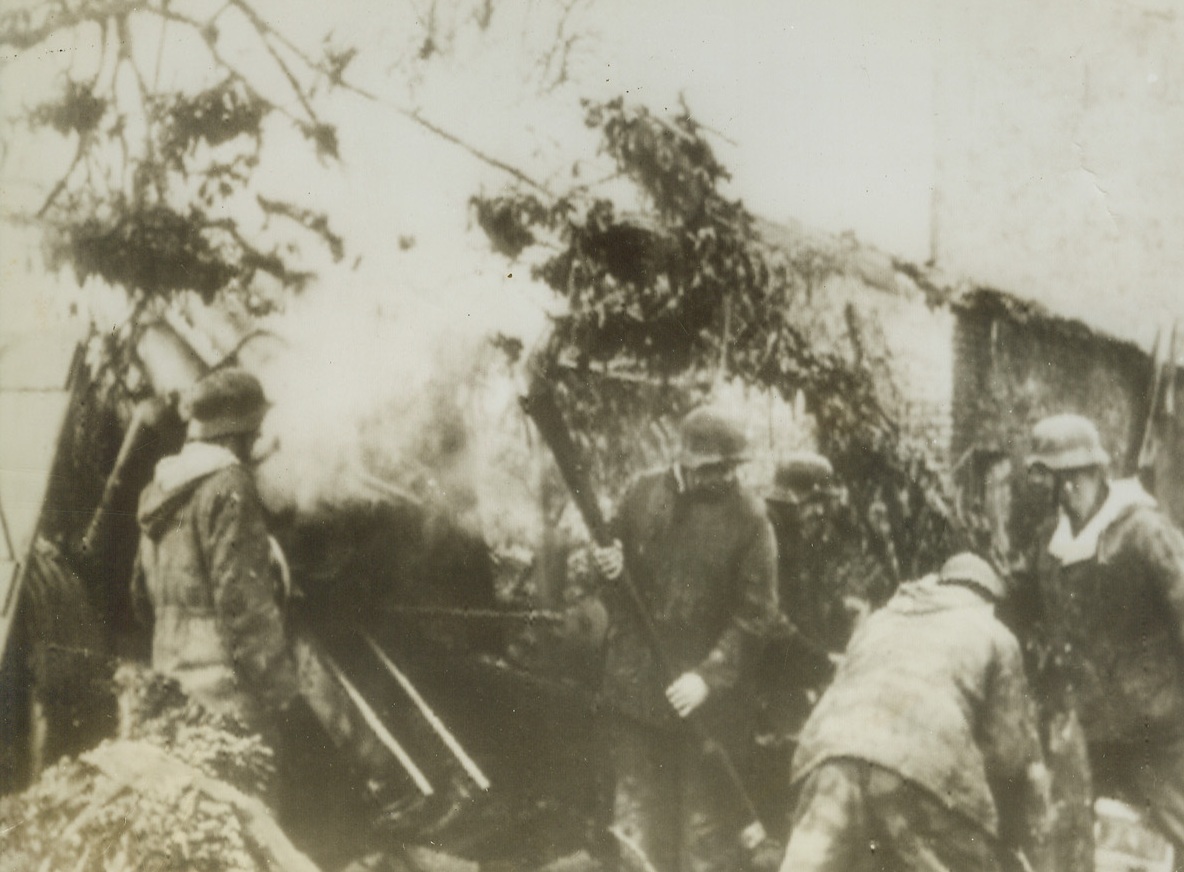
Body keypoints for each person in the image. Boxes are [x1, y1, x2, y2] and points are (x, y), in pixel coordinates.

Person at [591, 405, 780, 872]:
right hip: (636, 695)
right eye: (712, 469)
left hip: (706, 713)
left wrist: (708, 676)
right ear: (686, 460)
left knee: (704, 845)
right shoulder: (641, 494)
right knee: (637, 837)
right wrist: (609, 566)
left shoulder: (751, 519)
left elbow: (757, 617)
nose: (723, 479)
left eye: (731, 468)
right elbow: (611, 580)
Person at [780, 552, 1051, 872]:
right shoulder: (995, 634)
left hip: (830, 757)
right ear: (991, 598)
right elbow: (1006, 757)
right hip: (922, 771)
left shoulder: (879, 620)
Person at [1025, 412, 1184, 857]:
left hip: (1158, 729)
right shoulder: (1047, 543)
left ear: (1097, 472)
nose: (1063, 493)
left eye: (1072, 479)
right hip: (1089, 729)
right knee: (1088, 843)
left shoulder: (1143, 533)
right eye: (1052, 481)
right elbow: (1020, 603)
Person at [133, 367, 299, 731]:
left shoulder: (157, 492)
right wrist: (283, 693)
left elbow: (141, 600)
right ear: (236, 436)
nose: (257, 443)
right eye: (254, 434)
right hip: (225, 706)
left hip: (171, 694)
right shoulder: (230, 488)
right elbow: (243, 607)